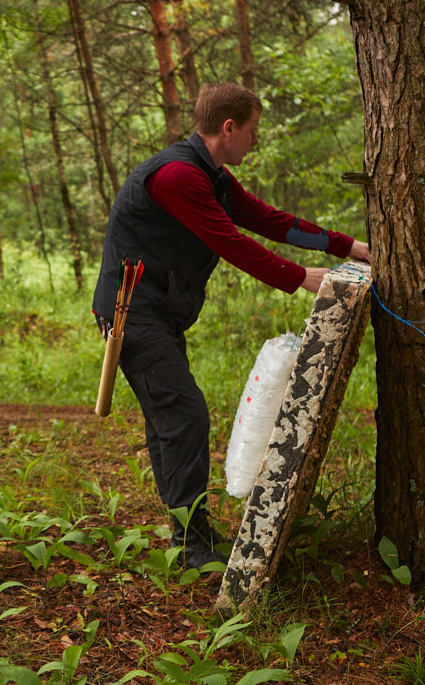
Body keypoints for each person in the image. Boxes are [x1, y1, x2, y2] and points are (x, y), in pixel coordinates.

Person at [92, 83, 372, 570]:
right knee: (183, 415)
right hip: (131, 312)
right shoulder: (179, 177)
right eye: (252, 131)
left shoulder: (212, 177)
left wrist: (345, 245)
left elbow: (268, 220)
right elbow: (229, 241)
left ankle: (190, 532)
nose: (254, 140)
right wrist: (300, 277)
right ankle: (190, 544)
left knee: (171, 418)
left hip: (158, 311)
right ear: (228, 128)